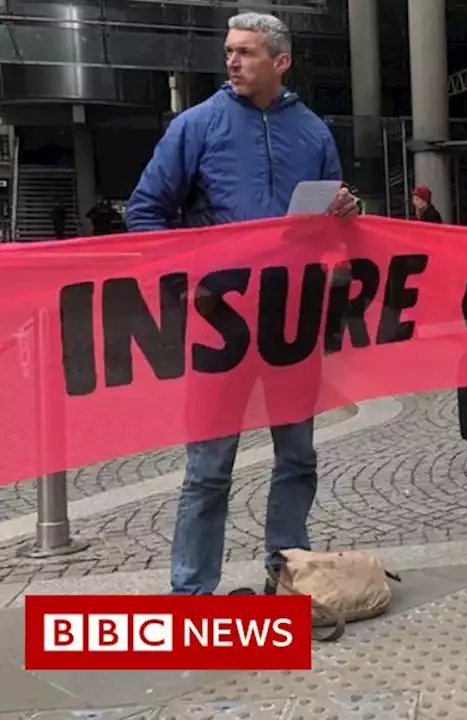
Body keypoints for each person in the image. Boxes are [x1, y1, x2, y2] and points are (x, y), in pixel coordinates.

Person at [125, 11, 360, 595]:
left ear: (280, 62)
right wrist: (187, 287)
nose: (232, 61)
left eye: (247, 52)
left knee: (299, 459)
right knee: (208, 470)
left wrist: (346, 215)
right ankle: (193, 597)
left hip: (292, 322)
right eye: (230, 50)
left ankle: (288, 579)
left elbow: (336, 226)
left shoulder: (314, 132)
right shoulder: (196, 126)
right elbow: (144, 212)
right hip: (219, 326)